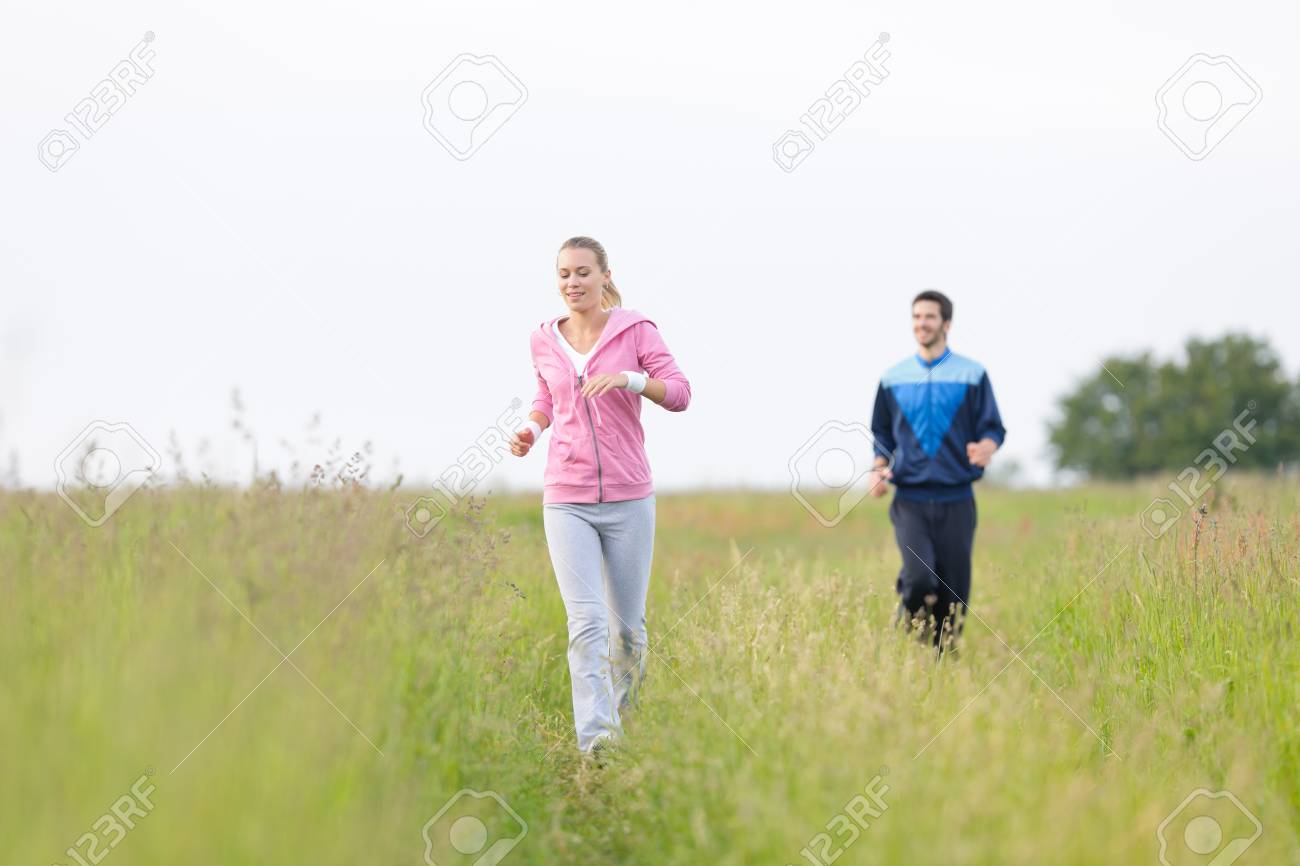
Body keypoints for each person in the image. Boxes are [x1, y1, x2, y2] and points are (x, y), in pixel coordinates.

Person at [509, 236, 692, 754]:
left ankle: (628, 728)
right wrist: (531, 429)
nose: (573, 283)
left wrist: (629, 380)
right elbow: (547, 395)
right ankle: (599, 747)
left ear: (605, 276)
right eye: (564, 274)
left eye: (583, 272)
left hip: (629, 498)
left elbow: (680, 393)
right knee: (586, 624)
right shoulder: (543, 339)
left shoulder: (636, 330)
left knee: (627, 631)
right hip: (566, 497)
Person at [868, 290, 1005, 652]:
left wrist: (987, 446)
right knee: (918, 579)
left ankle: (941, 663)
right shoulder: (893, 377)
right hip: (910, 499)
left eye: (929, 317)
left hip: (957, 499)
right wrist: (878, 468)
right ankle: (912, 643)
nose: (921, 323)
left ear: (946, 323)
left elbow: (993, 428)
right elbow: (882, 433)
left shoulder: (972, 374)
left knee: (952, 597)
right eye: (916, 317)